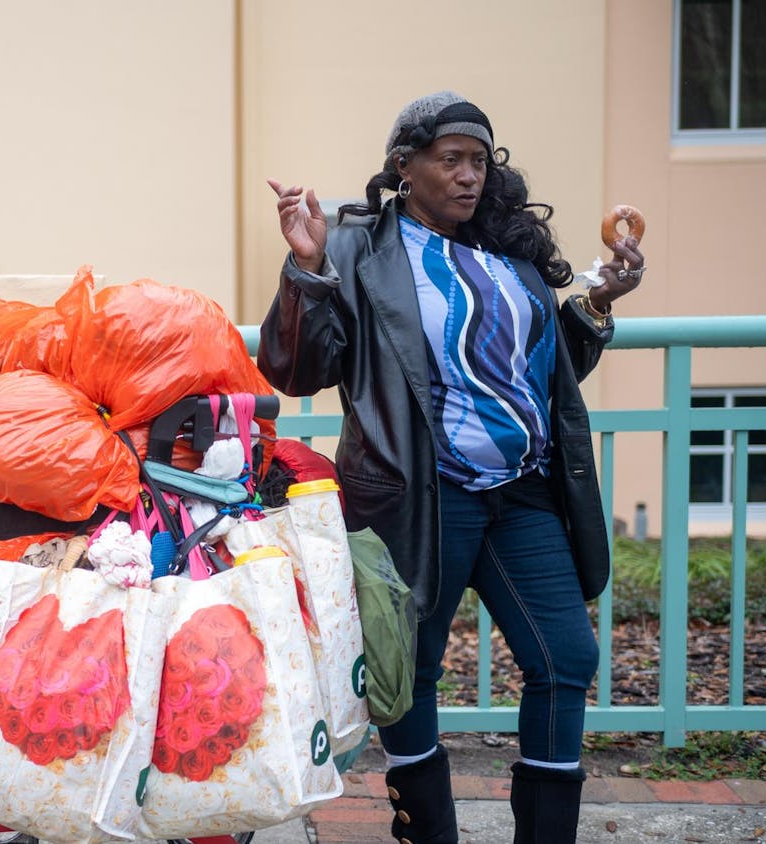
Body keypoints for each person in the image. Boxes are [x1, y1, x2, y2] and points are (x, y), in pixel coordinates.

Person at [258, 91, 644, 844]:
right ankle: (429, 832)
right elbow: (299, 368)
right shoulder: (359, 246)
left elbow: (538, 369)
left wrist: (597, 301)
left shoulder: (507, 248)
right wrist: (306, 267)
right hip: (417, 496)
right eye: (451, 161)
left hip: (524, 494)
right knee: (412, 669)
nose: (470, 177)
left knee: (565, 657)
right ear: (406, 166)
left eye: (479, 162)